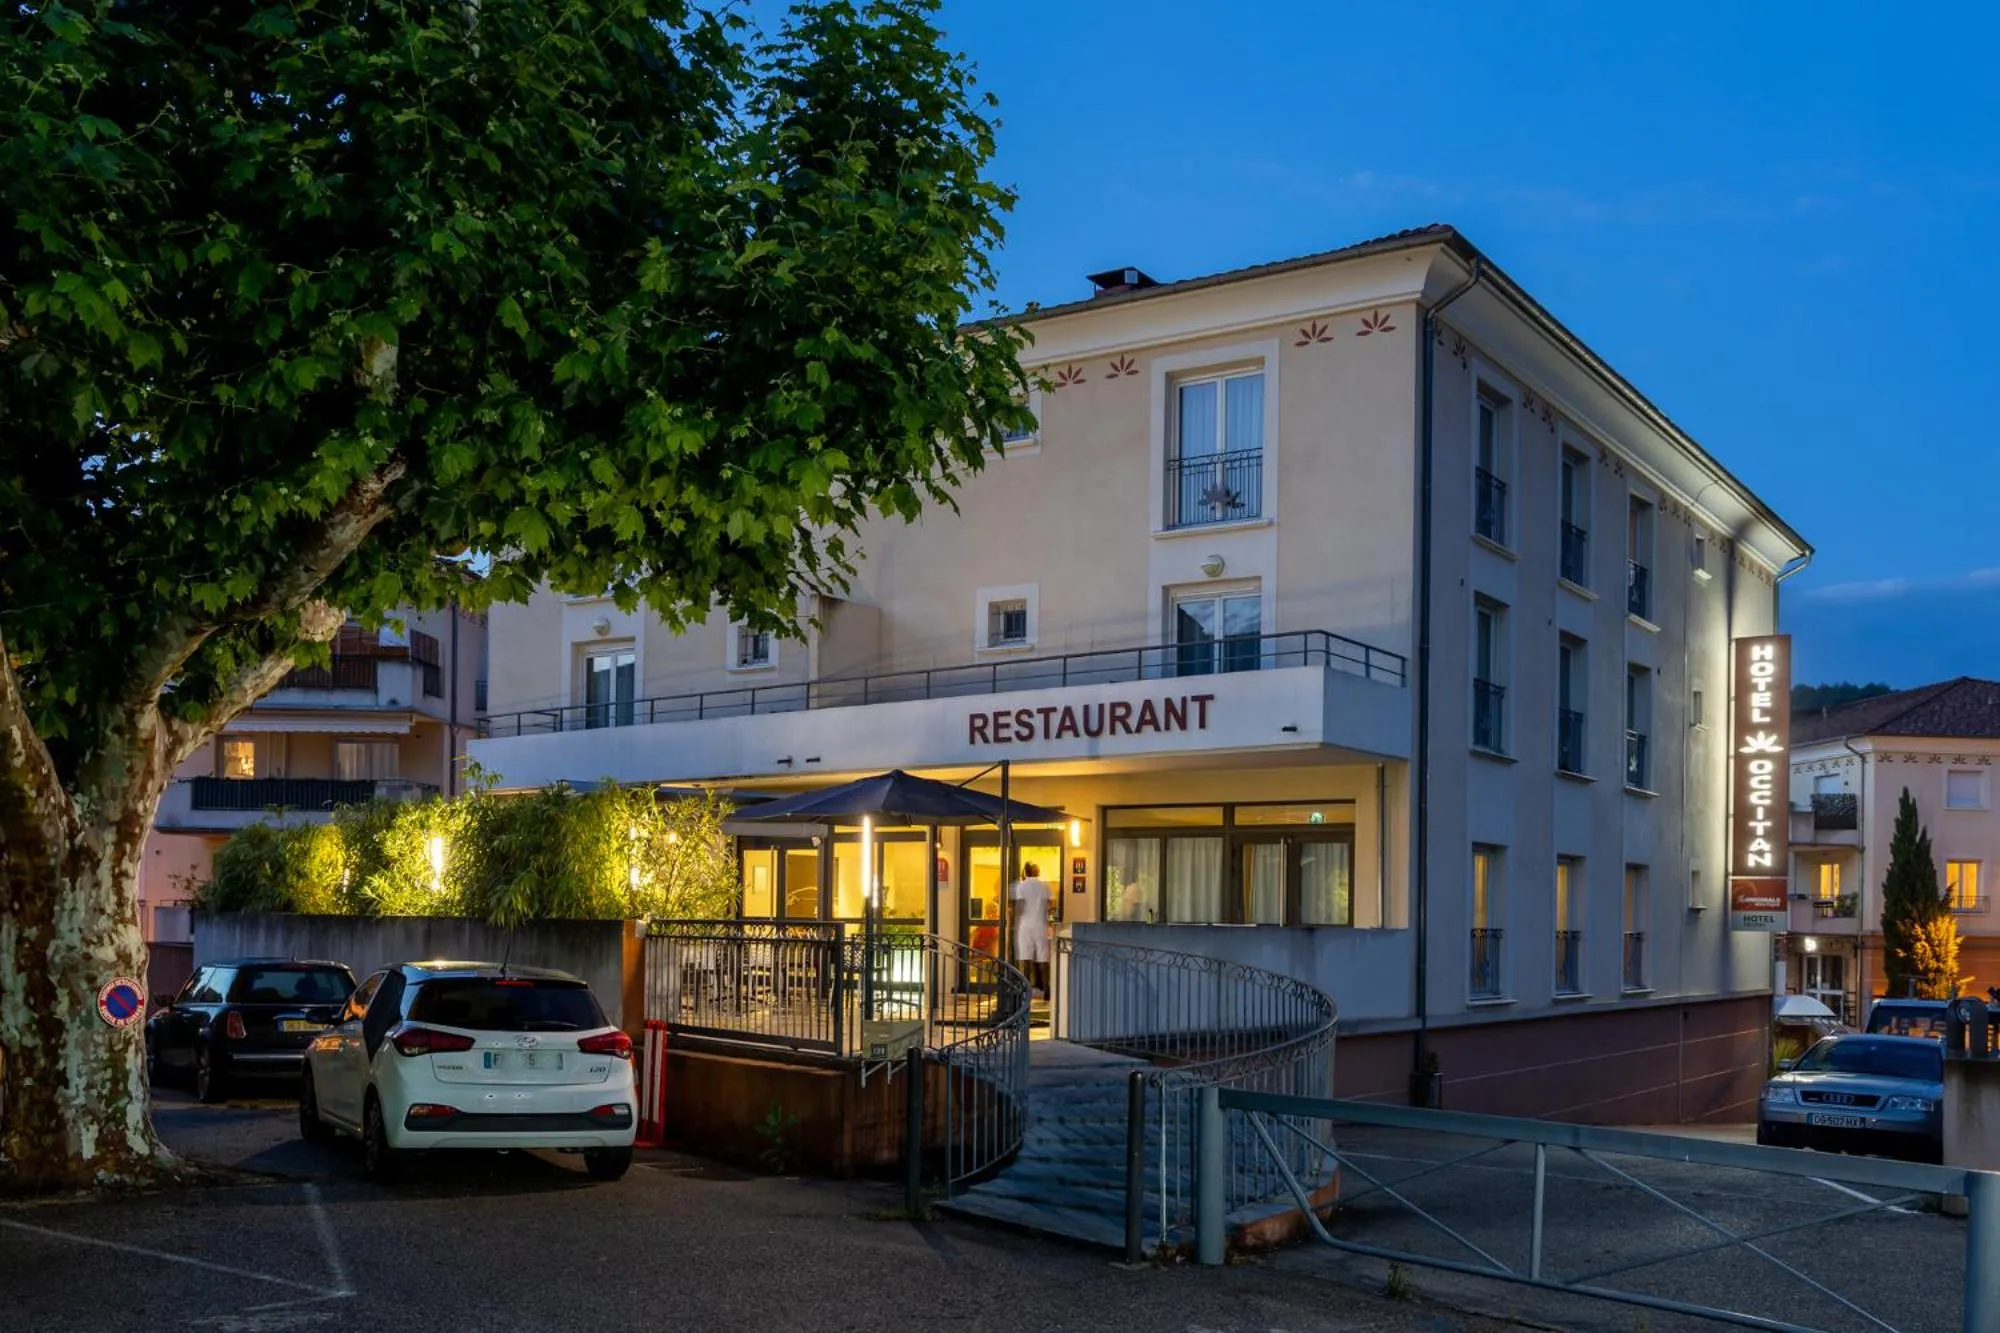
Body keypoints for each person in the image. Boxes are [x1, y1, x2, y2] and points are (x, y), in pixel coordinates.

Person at [1011, 861, 1053, 994]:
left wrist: (1014, 924)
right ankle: (1046, 989)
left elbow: (1019, 907)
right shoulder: (1044, 886)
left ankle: (1026, 990)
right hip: (1040, 924)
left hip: (1025, 925)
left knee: (1026, 959)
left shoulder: (1021, 887)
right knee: (1043, 958)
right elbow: (1048, 906)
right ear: (1036, 872)